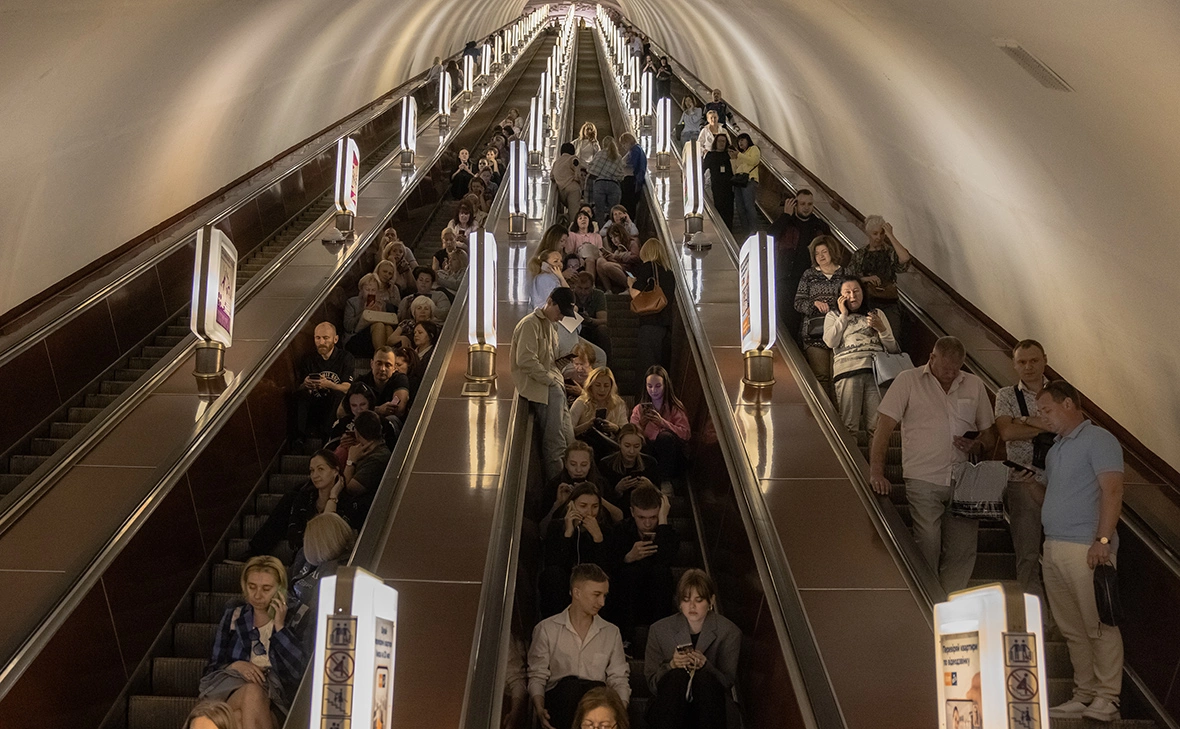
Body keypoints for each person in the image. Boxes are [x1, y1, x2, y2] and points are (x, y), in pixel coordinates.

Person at [870, 336, 997, 592]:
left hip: (965, 479)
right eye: (945, 368)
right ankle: (928, 599)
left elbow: (990, 435)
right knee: (927, 542)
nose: (950, 375)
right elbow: (883, 427)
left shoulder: (974, 384)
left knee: (963, 549)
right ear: (932, 358)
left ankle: (949, 602)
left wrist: (977, 445)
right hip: (922, 476)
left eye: (956, 369)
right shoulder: (908, 380)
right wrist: (876, 472)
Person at [1035, 380, 1124, 722]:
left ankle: (1108, 697)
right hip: (1054, 544)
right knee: (1072, 628)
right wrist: (1032, 486)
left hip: (1085, 548)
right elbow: (1056, 497)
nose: (1043, 418)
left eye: (1047, 410)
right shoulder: (1056, 448)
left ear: (1068, 404)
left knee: (1098, 625)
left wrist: (1102, 541)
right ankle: (1083, 693)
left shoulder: (1099, 440)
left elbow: (1112, 490)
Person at [199, 557, 303, 727]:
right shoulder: (234, 616)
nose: (257, 595)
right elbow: (212, 668)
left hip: (275, 700)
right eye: (252, 587)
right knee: (251, 692)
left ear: (280, 589)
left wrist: (280, 627)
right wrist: (235, 665)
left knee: (240, 718)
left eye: (266, 589)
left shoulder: (297, 617)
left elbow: (299, 672)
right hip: (233, 690)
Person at [528, 563, 630, 729]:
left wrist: (620, 711)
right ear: (577, 592)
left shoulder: (611, 632)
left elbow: (618, 678)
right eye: (596, 595)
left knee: (596, 694)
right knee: (570, 687)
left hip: (596, 701)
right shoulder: (547, 629)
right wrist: (539, 709)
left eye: (604, 595)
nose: (602, 602)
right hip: (560, 698)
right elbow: (537, 674)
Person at [994, 340, 1054, 607]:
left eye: (1034, 360)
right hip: (1022, 482)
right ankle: (1036, 617)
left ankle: (1062, 618)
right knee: (1028, 555)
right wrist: (1045, 426)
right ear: (1014, 364)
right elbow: (1006, 432)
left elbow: (1070, 428)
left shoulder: (1061, 393)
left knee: (1060, 555)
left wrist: (1023, 420)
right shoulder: (1006, 395)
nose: (1028, 367)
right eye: (1022, 362)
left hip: (1061, 484)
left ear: (1044, 360)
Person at [644, 569, 741, 729]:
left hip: (710, 704)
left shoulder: (729, 632)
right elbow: (652, 684)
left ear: (711, 600)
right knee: (677, 676)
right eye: (686, 599)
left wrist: (706, 666)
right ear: (679, 602)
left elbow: (726, 683)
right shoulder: (659, 630)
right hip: (669, 704)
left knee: (703, 679)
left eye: (699, 599)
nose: (692, 606)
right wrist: (672, 665)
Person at [512, 288, 577, 480]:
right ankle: (558, 487)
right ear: (550, 301)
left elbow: (546, 359)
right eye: (560, 311)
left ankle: (570, 481)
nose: (561, 317)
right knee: (555, 441)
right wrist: (549, 381)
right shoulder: (530, 324)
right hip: (543, 388)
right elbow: (525, 360)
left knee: (568, 437)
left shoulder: (550, 326)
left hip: (554, 385)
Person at [247, 449, 362, 558]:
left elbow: (330, 543)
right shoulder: (303, 498)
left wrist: (333, 497)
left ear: (335, 471)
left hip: (331, 561)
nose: (315, 475)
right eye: (312, 470)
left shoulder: (348, 503)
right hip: (303, 558)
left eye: (320, 469)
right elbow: (294, 539)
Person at [823, 278, 899, 432]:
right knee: (849, 426)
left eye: (857, 291)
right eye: (847, 293)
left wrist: (882, 329)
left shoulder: (877, 314)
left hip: (876, 373)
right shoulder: (833, 316)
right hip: (847, 372)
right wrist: (843, 315)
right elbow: (830, 342)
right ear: (840, 297)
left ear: (863, 293)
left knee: (876, 428)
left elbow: (892, 347)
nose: (852, 296)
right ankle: (849, 457)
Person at [607, 484, 678, 639]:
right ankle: (626, 640)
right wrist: (627, 558)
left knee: (661, 573)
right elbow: (608, 567)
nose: (647, 524)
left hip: (655, 597)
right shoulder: (620, 531)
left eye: (653, 517)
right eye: (641, 517)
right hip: (627, 598)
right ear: (632, 512)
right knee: (629, 572)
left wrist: (663, 521)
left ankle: (660, 638)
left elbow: (668, 560)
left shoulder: (666, 532)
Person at [768, 189, 831, 339]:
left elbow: (830, 248)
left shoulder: (819, 226)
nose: (806, 207)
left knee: (808, 320)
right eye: (802, 203)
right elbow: (769, 237)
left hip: (812, 280)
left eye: (809, 204)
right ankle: (792, 350)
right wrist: (785, 215)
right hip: (787, 279)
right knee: (788, 318)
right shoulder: (787, 223)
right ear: (795, 204)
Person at [794, 235, 847, 398]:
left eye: (824, 252)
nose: (821, 256)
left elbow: (856, 298)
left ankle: (840, 415)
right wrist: (814, 304)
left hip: (840, 331)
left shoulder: (845, 273)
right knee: (822, 376)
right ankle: (826, 416)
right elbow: (797, 302)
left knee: (839, 376)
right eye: (817, 254)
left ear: (832, 251)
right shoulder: (809, 274)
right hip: (815, 333)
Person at [847, 215, 912, 334]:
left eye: (882, 233)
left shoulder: (889, 252)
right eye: (875, 234)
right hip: (868, 301)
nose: (879, 237)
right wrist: (867, 278)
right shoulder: (860, 255)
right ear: (868, 234)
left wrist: (891, 236)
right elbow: (849, 278)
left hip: (889, 301)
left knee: (891, 335)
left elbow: (905, 258)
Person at [286, 512, 355, 623]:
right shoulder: (304, 557)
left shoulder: (336, 572)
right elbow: (286, 580)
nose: (305, 541)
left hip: (301, 629)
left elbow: (316, 619)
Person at [290, 322, 354, 441]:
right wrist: (306, 384)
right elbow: (299, 387)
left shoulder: (346, 358)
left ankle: (327, 437)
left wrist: (330, 385)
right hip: (315, 401)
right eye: (317, 338)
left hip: (335, 402)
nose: (321, 342)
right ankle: (299, 439)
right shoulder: (308, 359)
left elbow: (347, 387)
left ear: (335, 339)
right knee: (300, 396)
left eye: (326, 338)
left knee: (337, 395)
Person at [627, 239, 677, 386]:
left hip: (650, 326)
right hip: (666, 329)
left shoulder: (648, 267)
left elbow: (636, 295)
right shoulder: (669, 273)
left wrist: (631, 284)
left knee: (647, 371)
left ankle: (644, 406)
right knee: (661, 373)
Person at [630, 366, 691, 482]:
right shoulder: (639, 409)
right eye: (650, 386)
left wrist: (663, 423)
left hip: (672, 454)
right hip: (648, 451)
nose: (653, 390)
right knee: (641, 443)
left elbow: (686, 434)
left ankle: (665, 481)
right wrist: (641, 426)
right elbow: (630, 435)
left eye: (658, 386)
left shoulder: (674, 407)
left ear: (665, 385)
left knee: (665, 437)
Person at [340, 410, 391, 515]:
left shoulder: (378, 458)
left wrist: (351, 461)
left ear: (357, 433)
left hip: (360, 510)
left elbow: (349, 489)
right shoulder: (372, 451)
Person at [570, 366, 628, 456]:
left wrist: (616, 428)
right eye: (597, 385)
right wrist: (588, 425)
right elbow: (568, 431)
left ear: (611, 387)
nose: (602, 390)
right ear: (591, 386)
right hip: (585, 447)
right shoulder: (581, 402)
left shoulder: (618, 404)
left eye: (606, 386)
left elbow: (626, 432)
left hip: (610, 447)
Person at [600, 424, 660, 509]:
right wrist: (617, 490)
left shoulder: (650, 463)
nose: (631, 451)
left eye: (636, 446)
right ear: (620, 443)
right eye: (627, 446)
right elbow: (602, 499)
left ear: (641, 446)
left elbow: (659, 496)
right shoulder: (606, 464)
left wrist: (651, 487)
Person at [342, 273, 396, 358]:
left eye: (373, 290)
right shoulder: (352, 302)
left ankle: (388, 357)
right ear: (361, 290)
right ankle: (382, 358)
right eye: (367, 289)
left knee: (387, 327)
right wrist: (364, 312)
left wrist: (380, 312)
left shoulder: (381, 304)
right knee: (378, 325)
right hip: (355, 337)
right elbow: (348, 326)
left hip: (373, 339)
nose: (370, 292)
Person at [586, 137, 626, 228]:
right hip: (614, 185)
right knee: (614, 212)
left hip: (599, 184)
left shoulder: (600, 154)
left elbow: (591, 169)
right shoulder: (618, 156)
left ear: (603, 144)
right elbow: (621, 176)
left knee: (599, 211)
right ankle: (614, 231)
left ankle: (601, 233)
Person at [598, 218, 641, 293]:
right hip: (619, 269)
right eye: (611, 238)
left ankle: (630, 287)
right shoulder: (615, 248)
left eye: (615, 236)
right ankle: (608, 290)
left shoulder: (631, 243)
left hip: (630, 273)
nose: (613, 240)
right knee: (600, 261)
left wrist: (618, 257)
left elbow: (636, 258)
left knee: (607, 266)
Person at [571, 273, 610, 354]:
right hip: (575, 328)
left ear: (592, 286)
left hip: (592, 328)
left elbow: (603, 320)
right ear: (574, 286)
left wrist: (590, 320)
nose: (583, 292)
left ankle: (607, 363)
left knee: (602, 329)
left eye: (586, 289)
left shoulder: (598, 295)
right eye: (580, 288)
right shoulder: (570, 294)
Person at [702, 133, 735, 229]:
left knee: (729, 207)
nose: (721, 143)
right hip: (717, 185)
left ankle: (729, 229)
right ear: (715, 142)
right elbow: (703, 168)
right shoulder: (711, 155)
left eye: (724, 141)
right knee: (719, 206)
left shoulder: (729, 154)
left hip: (729, 185)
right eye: (719, 141)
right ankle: (720, 228)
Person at [731, 133, 762, 234]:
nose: (740, 142)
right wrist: (733, 158)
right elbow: (735, 169)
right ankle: (745, 230)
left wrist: (739, 155)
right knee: (740, 207)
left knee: (749, 206)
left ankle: (753, 230)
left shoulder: (753, 149)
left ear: (748, 140)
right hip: (739, 181)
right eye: (739, 141)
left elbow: (754, 161)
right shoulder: (739, 155)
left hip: (749, 180)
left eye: (743, 140)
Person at [567, 209, 605, 282]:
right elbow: (570, 252)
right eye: (580, 218)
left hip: (595, 258)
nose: (583, 220)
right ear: (576, 222)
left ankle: (591, 284)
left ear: (589, 221)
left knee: (591, 260)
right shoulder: (572, 235)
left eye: (585, 218)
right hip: (578, 257)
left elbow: (600, 251)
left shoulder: (596, 236)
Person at [551, 142, 583, 220]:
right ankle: (573, 230)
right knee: (574, 215)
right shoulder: (573, 158)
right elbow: (577, 174)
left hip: (561, 191)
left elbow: (551, 176)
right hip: (573, 188)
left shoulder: (556, 162)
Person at [618, 133, 647, 220]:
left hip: (630, 182)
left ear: (628, 141)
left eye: (624, 144)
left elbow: (633, 166)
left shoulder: (635, 150)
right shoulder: (637, 149)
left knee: (627, 205)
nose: (623, 146)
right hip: (633, 181)